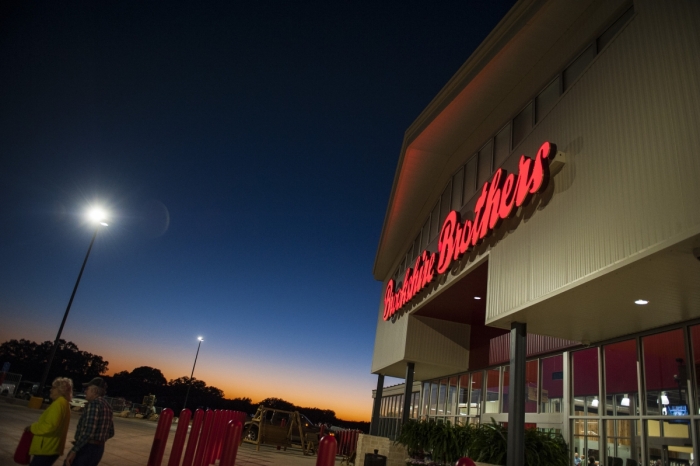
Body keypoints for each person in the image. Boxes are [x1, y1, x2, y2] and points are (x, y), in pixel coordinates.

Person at [64, 377, 114, 466]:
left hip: (87, 449)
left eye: (88, 389)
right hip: (98, 449)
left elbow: (88, 431)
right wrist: (99, 439)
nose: (85, 391)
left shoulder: (94, 404)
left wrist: (75, 450)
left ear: (94, 391)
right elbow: (111, 432)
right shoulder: (108, 406)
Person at [25, 377, 73, 466]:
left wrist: (32, 427)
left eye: (53, 388)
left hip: (46, 448)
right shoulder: (65, 404)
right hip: (53, 447)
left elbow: (49, 426)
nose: (51, 390)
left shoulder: (58, 404)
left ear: (60, 390)